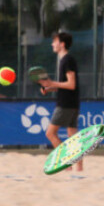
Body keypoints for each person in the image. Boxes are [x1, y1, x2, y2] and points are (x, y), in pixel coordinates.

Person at [39, 31, 83, 171]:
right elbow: (65, 86)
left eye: (55, 41)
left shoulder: (67, 60)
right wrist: (50, 88)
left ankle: (67, 164)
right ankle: (79, 169)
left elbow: (71, 85)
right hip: (72, 102)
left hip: (66, 104)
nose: (52, 44)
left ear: (62, 44)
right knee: (73, 137)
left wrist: (52, 83)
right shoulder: (64, 60)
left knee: (50, 133)